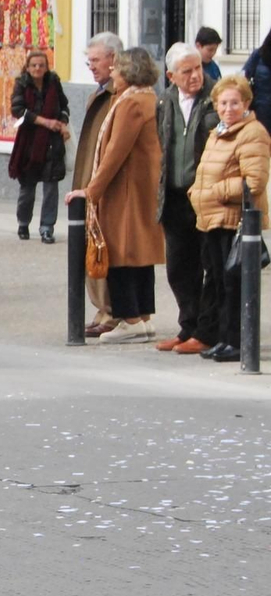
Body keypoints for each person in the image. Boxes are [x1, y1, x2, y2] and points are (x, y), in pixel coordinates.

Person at [68, 47, 164, 345]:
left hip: (125, 192)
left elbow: (114, 153)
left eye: (117, 69)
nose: (113, 73)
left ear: (129, 72)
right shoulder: (146, 97)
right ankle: (143, 318)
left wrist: (91, 190)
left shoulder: (131, 103)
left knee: (119, 254)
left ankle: (130, 319)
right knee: (138, 255)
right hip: (138, 189)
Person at [187, 74, 269, 363]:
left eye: (235, 102)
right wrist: (196, 193)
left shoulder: (252, 132)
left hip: (233, 220)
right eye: (223, 102)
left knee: (234, 284)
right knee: (219, 282)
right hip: (211, 218)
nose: (229, 108)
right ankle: (224, 338)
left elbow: (254, 182)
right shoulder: (218, 131)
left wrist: (213, 193)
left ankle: (236, 341)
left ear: (246, 103)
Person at [155, 43, 217, 354]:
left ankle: (206, 331)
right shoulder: (165, 101)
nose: (195, 75)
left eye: (198, 68)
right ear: (171, 75)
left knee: (210, 265)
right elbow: (161, 142)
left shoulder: (216, 98)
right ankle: (187, 327)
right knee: (179, 268)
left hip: (206, 197)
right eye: (187, 71)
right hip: (175, 197)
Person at [70, 32, 124, 337]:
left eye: (95, 60)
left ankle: (110, 311)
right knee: (91, 248)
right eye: (88, 61)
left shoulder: (119, 96)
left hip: (102, 187)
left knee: (104, 249)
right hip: (88, 184)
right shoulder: (98, 94)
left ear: (113, 59)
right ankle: (102, 308)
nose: (91, 66)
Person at [8, 48, 70, 243]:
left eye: (41, 65)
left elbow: (64, 106)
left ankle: (47, 228)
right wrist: (45, 122)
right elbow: (18, 110)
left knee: (51, 187)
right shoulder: (21, 84)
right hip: (29, 143)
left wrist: (62, 123)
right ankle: (23, 222)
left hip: (52, 143)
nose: (37, 68)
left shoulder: (53, 82)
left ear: (46, 67)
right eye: (34, 65)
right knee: (28, 189)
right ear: (27, 67)